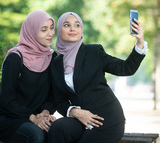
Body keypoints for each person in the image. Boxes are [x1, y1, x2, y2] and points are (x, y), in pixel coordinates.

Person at [49, 11, 148, 143]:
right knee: (58, 128)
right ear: (59, 29)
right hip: (81, 118)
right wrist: (75, 112)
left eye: (77, 25)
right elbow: (59, 101)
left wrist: (140, 41)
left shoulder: (93, 52)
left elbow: (126, 68)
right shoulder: (56, 63)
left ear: (81, 29)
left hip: (106, 118)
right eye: (67, 25)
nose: (73, 28)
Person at [0, 10, 57, 143]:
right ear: (31, 31)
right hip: (11, 118)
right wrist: (32, 118)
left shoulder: (51, 57)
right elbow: (6, 99)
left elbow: (53, 94)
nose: (50, 33)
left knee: (58, 130)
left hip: (38, 116)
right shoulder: (16, 57)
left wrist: (46, 112)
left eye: (51, 28)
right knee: (36, 135)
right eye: (44, 30)